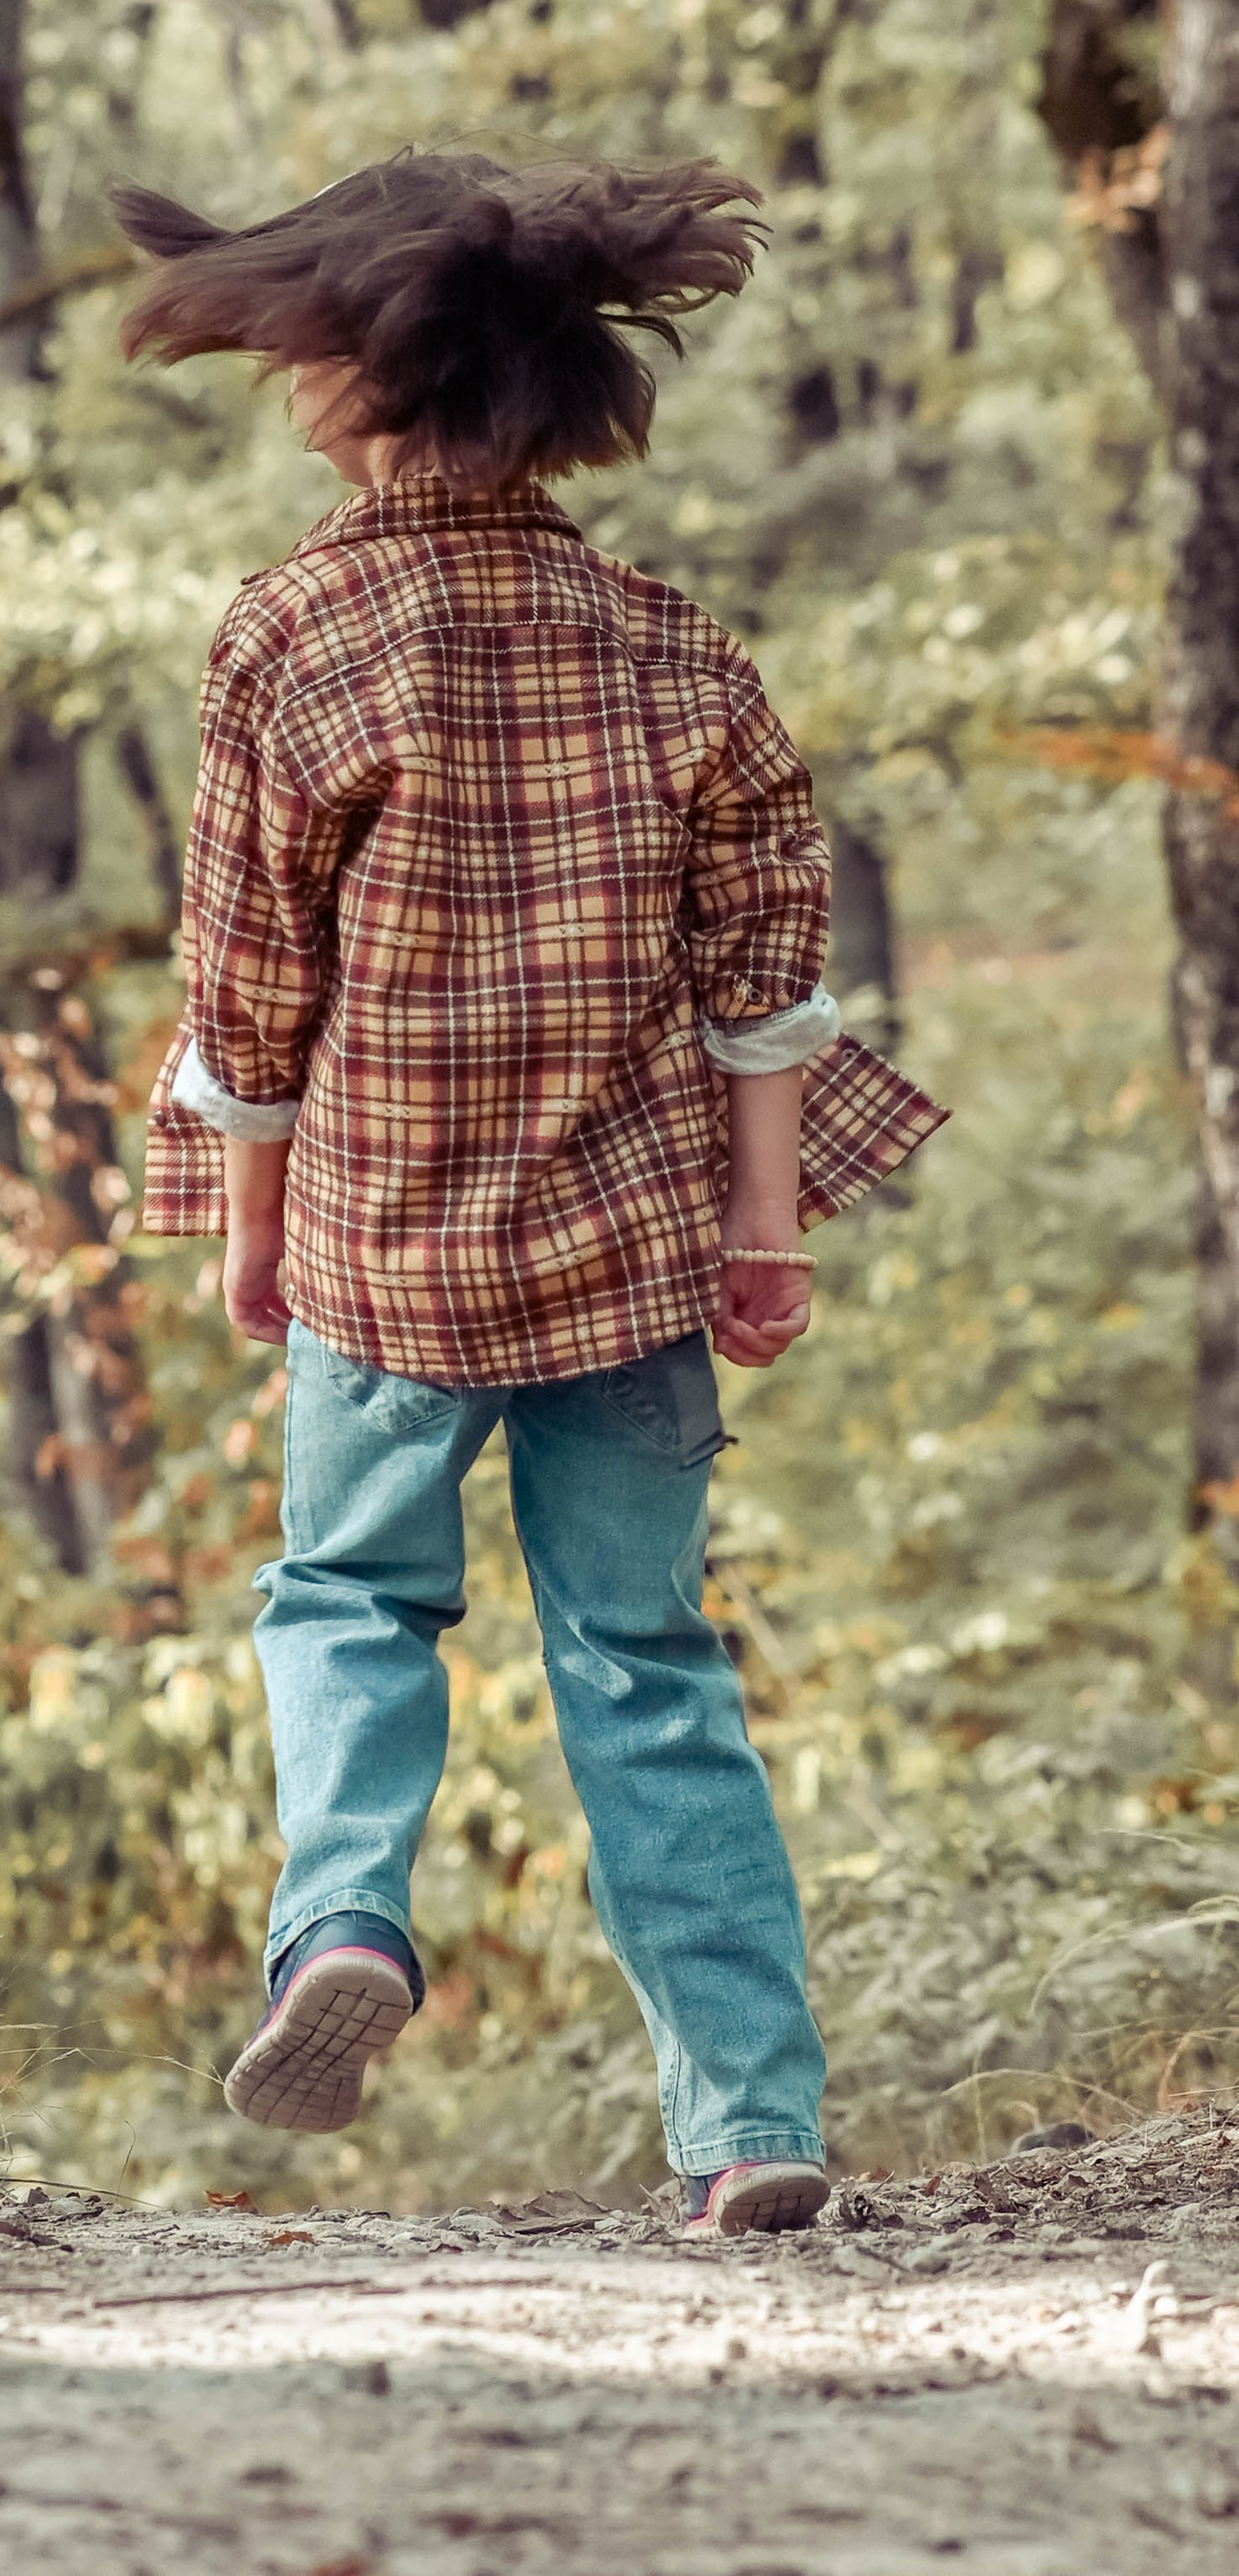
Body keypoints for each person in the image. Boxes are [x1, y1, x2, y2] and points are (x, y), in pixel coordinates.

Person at [122, 149, 944, 2239]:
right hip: (638, 1253)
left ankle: (346, 1923)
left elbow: (247, 988)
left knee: (344, 1602)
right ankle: (749, 2124)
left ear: (363, 377)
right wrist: (762, 1238)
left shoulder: (292, 636)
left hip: (386, 1258)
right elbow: (765, 988)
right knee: (648, 1668)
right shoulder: (668, 647)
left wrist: (247, 1229)